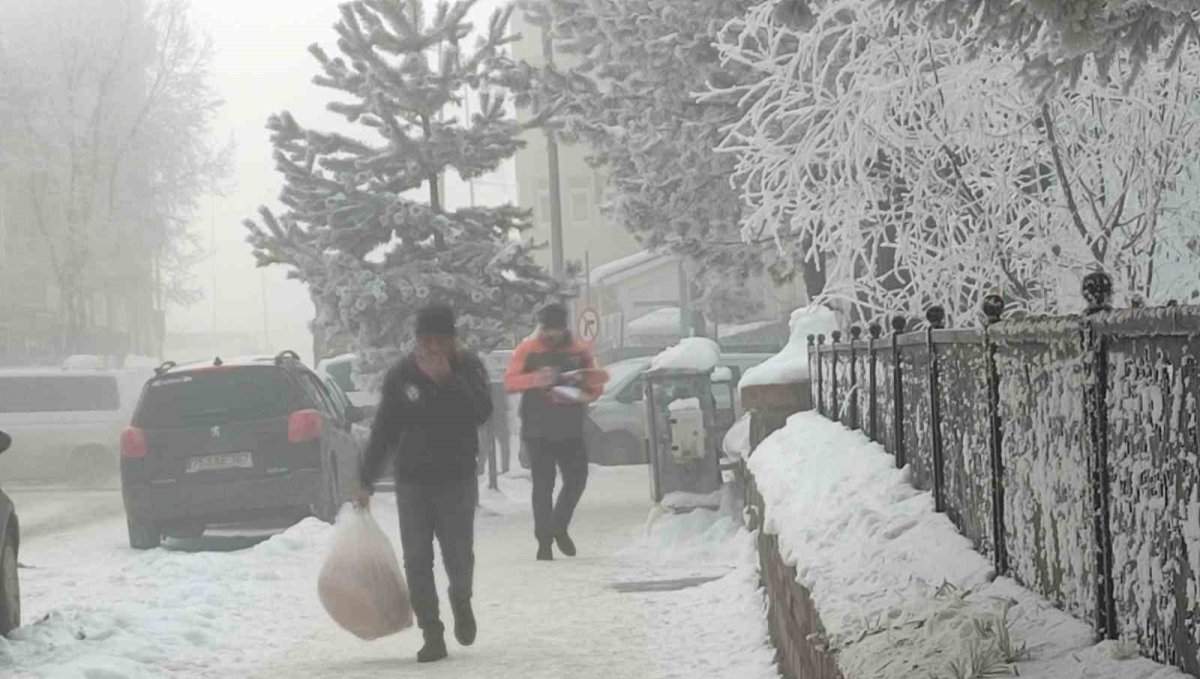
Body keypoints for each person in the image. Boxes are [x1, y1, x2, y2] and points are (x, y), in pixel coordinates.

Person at [356, 304, 493, 664]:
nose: (432, 348)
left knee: (458, 556)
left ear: (451, 342)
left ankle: (461, 602)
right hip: (413, 482)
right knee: (417, 560)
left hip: (456, 479)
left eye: (440, 341)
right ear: (417, 341)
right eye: (426, 341)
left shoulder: (467, 367)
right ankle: (432, 632)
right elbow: (384, 429)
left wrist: (448, 379)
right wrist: (365, 478)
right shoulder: (402, 375)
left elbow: (481, 411)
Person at [505, 303, 606, 561]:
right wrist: (534, 379)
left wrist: (583, 388)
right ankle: (544, 542)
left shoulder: (580, 350)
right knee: (542, 485)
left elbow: (595, 386)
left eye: (556, 330)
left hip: (570, 427)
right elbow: (510, 380)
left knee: (577, 479)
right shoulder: (527, 349)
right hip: (536, 429)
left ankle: (558, 525)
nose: (551, 335)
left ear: (564, 327)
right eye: (547, 330)